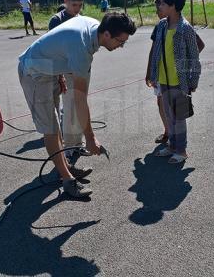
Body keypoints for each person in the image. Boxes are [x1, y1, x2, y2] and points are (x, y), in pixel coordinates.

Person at [18, 12, 137, 197]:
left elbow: (57, 42)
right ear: (106, 34)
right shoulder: (82, 49)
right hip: (34, 72)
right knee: (51, 128)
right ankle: (67, 180)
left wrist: (61, 71)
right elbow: (80, 100)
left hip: (50, 70)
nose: (121, 46)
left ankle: (65, 167)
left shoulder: (94, 26)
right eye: (120, 41)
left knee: (56, 126)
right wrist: (90, 138)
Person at [146, 0, 201, 164]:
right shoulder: (162, 25)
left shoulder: (186, 28)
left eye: (162, 4)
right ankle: (171, 145)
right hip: (163, 79)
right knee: (169, 115)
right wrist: (152, 75)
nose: (159, 7)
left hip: (180, 81)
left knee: (179, 117)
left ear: (173, 6)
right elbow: (156, 53)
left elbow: (194, 55)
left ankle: (182, 150)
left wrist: (193, 79)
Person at [47, 0, 91, 162]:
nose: (77, 9)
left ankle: (77, 144)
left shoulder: (82, 19)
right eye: (74, 5)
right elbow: (52, 51)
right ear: (65, 1)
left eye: (80, 5)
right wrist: (59, 76)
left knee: (79, 106)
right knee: (69, 109)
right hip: (64, 71)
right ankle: (68, 147)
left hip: (80, 71)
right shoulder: (56, 20)